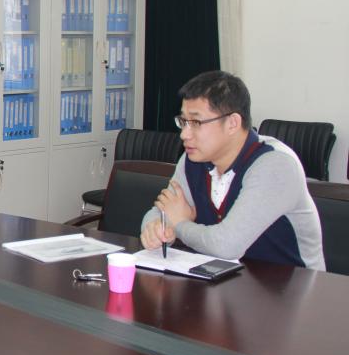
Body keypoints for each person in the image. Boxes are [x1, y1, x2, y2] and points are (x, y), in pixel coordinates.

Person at [139, 71, 324, 270]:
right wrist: (155, 229)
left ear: (232, 123)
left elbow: (226, 246)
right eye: (183, 122)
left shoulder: (275, 164)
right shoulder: (193, 159)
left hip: (293, 285)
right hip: (227, 278)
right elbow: (161, 211)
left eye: (196, 123)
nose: (184, 134)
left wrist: (180, 225)